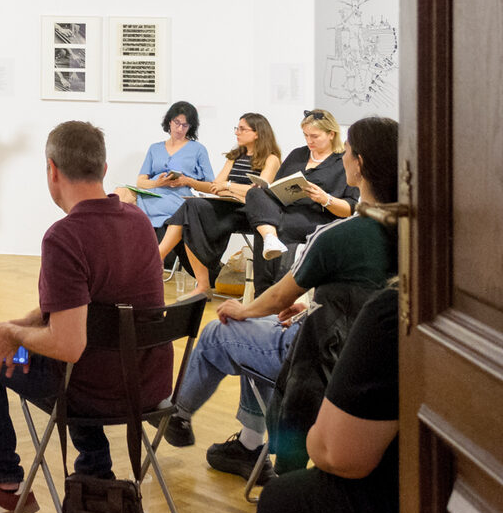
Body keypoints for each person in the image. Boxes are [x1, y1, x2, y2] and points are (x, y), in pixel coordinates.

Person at [0, 120, 170, 513]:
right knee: (77, 358)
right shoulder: (138, 222)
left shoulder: (64, 236)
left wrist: (15, 335)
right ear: (104, 170)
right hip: (147, 385)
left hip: (90, 391)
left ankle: (5, 485)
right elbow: (96, 304)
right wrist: (27, 320)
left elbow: (68, 345)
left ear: (52, 170)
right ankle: (94, 466)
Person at [162, 117, 398, 487]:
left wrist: (243, 308)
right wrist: (315, 307)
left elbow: (276, 298)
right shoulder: (411, 232)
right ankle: (248, 443)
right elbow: (367, 298)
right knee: (256, 332)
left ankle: (177, 416)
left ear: (361, 163)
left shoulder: (341, 236)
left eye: (349, 150)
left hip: (322, 359)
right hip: (364, 357)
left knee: (220, 329)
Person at [254, 287, 399, 513]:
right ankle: (246, 441)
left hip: (321, 365)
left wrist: (242, 311)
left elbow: (334, 454)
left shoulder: (401, 308)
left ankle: (245, 439)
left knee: (219, 335)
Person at [156, 113, 282, 297]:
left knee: (192, 214)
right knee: (191, 209)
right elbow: (215, 186)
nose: (237, 132)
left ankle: (156, 258)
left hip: (252, 213)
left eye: (242, 129)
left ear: (257, 133)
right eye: (236, 128)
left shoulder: (271, 159)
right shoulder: (235, 157)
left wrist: (229, 187)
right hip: (229, 206)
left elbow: (260, 191)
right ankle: (199, 282)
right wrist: (192, 182)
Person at [245, 108, 357, 293]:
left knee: (272, 226)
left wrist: (325, 199)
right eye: (305, 135)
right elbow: (276, 188)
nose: (309, 141)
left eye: (314, 136)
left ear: (331, 134)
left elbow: (351, 208)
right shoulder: (298, 154)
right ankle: (270, 241)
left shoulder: (343, 161)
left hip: (318, 217)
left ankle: (271, 293)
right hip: (285, 210)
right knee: (255, 195)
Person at [117, 100, 214, 243]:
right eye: (177, 122)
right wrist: (158, 182)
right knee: (119, 192)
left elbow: (211, 186)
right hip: (151, 194)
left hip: (176, 200)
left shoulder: (198, 149)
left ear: (190, 127)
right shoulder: (154, 148)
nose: (180, 129)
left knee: (128, 206)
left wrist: (187, 181)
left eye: (185, 125)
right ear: (169, 121)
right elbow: (140, 182)